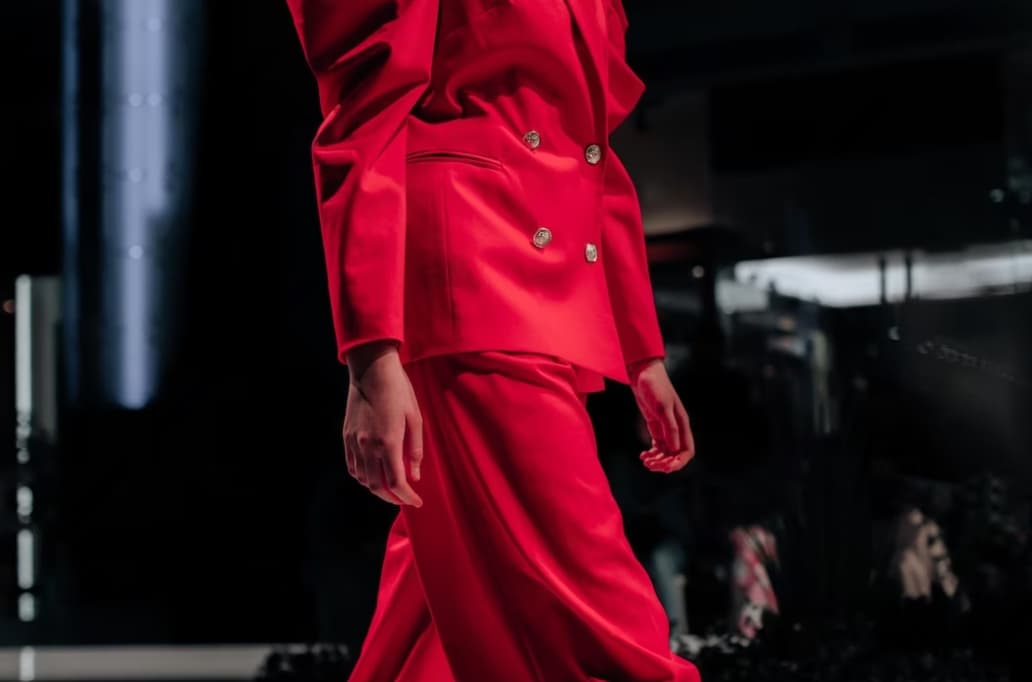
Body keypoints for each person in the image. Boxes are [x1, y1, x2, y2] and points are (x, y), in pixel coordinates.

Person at [286, 0, 701, 679]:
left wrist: (641, 352)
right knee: (597, 624)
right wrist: (371, 355)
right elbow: (363, 113)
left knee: (426, 643)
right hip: (469, 276)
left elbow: (590, 148)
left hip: (542, 294)